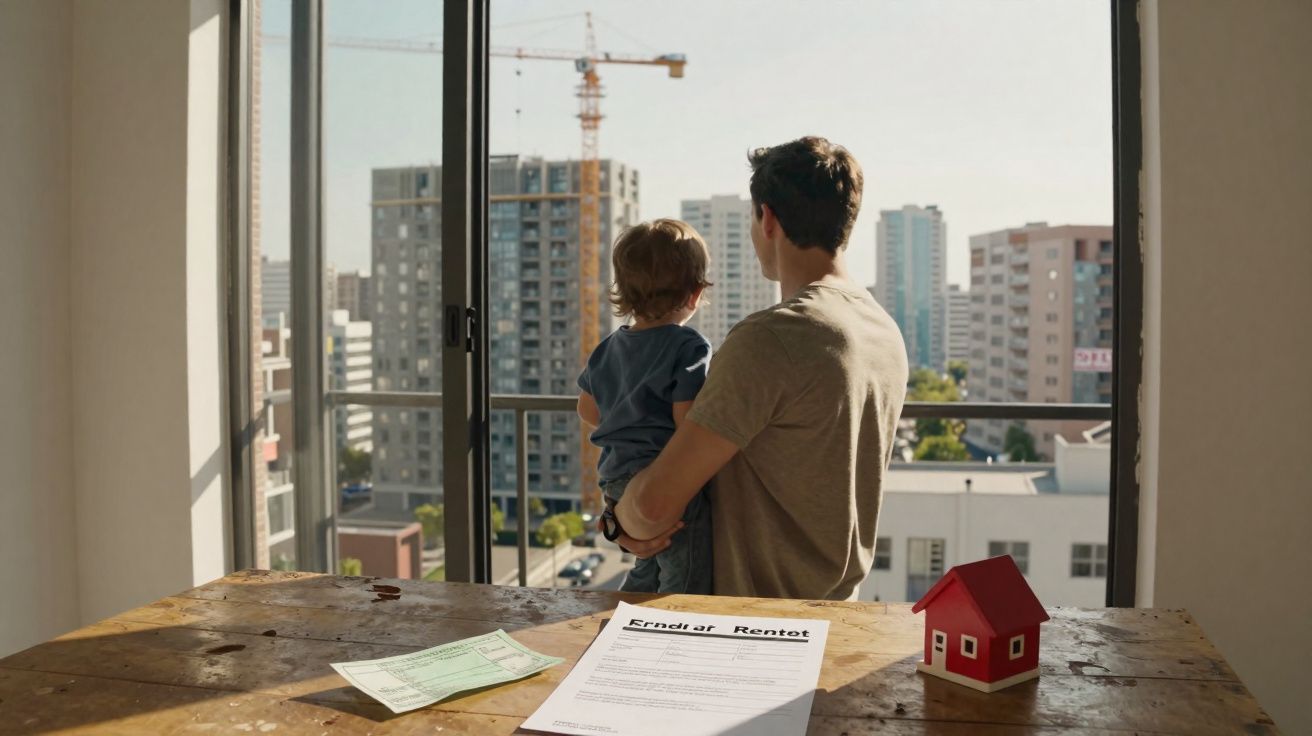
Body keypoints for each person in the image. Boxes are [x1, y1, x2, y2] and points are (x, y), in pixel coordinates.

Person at [603, 136, 909, 601]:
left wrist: (613, 521)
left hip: (750, 624)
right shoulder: (883, 331)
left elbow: (651, 507)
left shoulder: (773, 338)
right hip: (837, 615)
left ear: (767, 218)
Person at [577, 219, 715, 594]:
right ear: (695, 292)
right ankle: (675, 627)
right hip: (664, 478)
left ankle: (627, 609)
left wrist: (625, 419)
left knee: (647, 559)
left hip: (617, 479)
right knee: (685, 569)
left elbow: (587, 411)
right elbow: (687, 421)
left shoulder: (608, 347)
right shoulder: (689, 346)